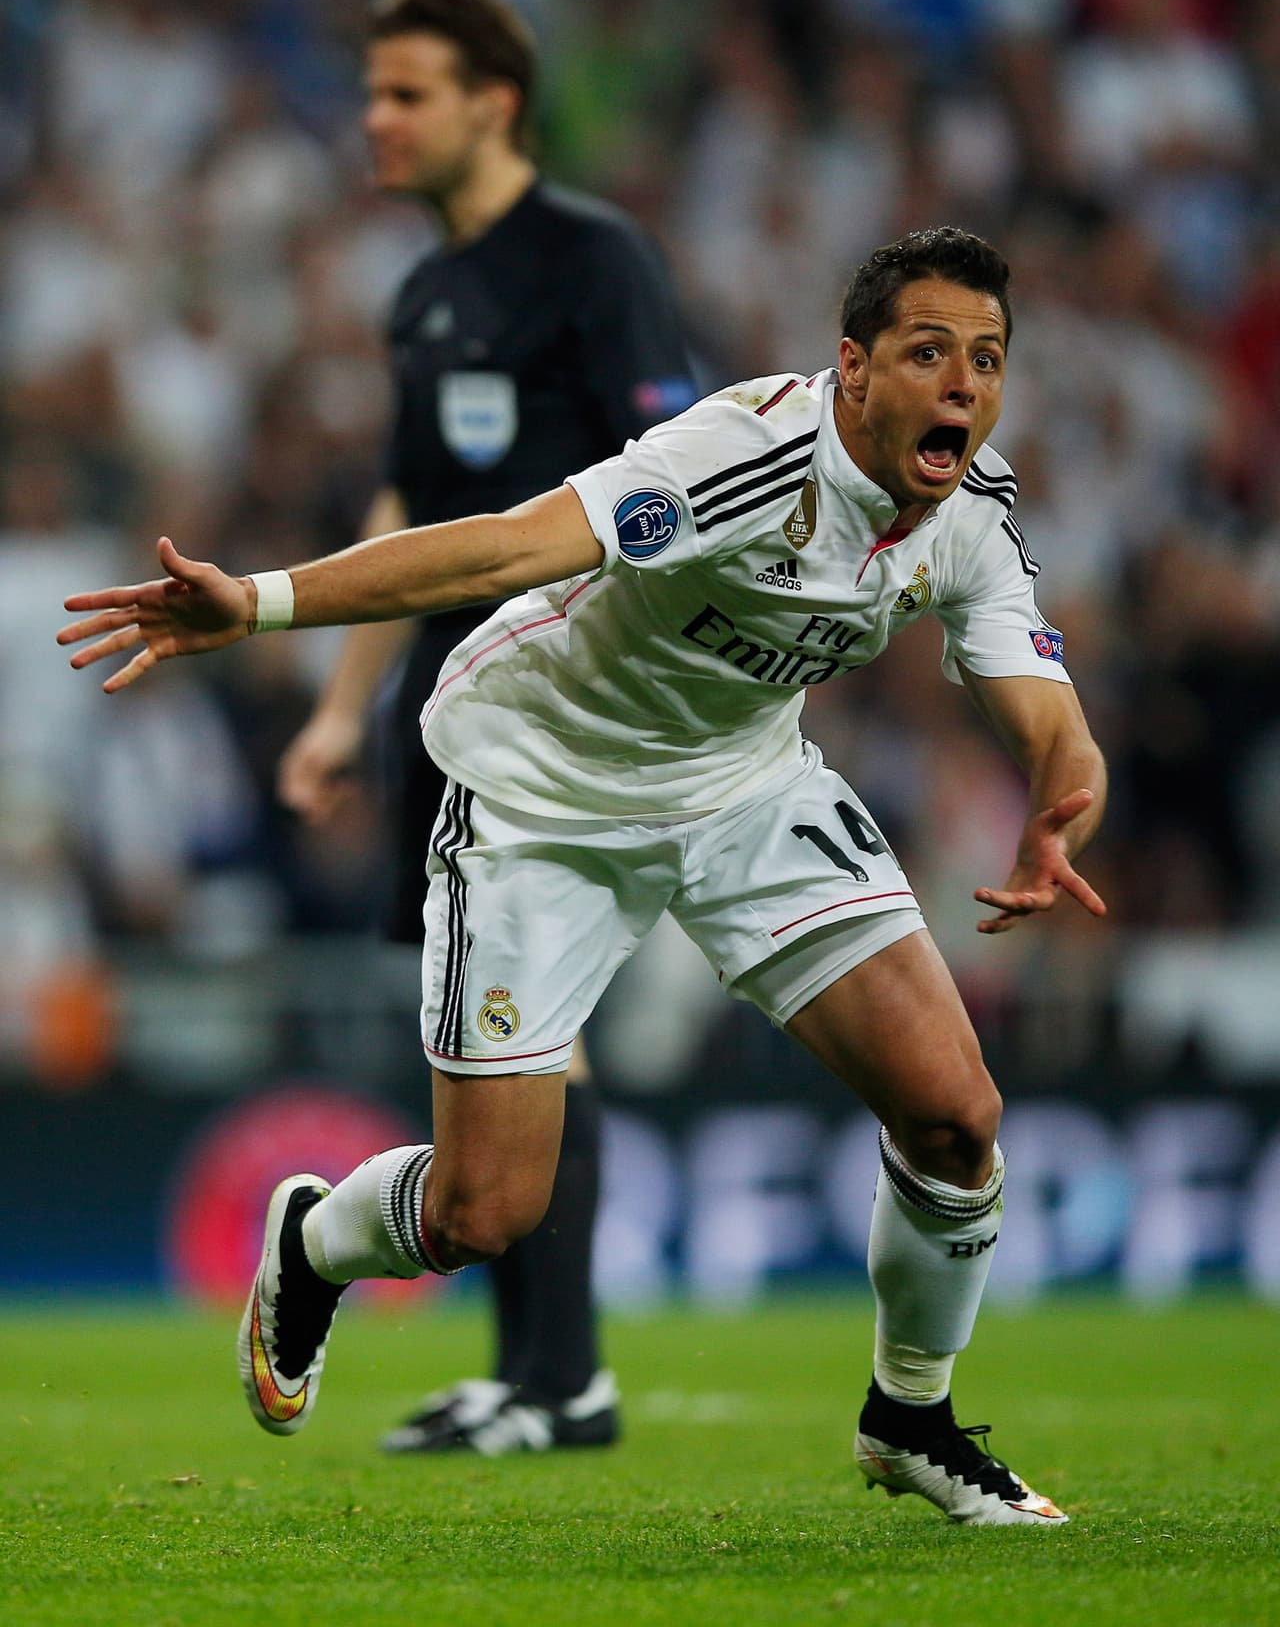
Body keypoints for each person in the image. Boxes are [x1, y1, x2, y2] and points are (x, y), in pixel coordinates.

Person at [61, 226, 1107, 1527]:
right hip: (542, 788)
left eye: (987, 361)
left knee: (954, 1117)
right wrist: (260, 603)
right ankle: (315, 1241)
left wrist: (1062, 802)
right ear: (854, 368)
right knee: (483, 1211)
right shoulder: (740, 459)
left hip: (743, 788)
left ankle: (911, 1419)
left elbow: (1047, 713)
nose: (963, 385)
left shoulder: (972, 514)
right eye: (930, 352)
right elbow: (506, 548)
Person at [274, 0, 695, 1455]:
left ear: (494, 103)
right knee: (483, 1040)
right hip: (443, 712)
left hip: (563, 708)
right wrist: (341, 709)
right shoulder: (423, 294)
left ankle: (562, 1382)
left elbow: (677, 466)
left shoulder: (594, 259)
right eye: (373, 91)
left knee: (533, 1033)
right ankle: (532, 1378)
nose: (375, 119)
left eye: (406, 93)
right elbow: (407, 509)